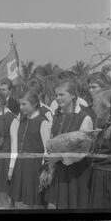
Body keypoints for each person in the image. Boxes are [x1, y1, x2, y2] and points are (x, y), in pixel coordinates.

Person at [45, 80, 93, 209]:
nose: (57, 98)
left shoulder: (84, 118)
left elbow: (83, 150)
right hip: (57, 172)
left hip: (75, 174)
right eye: (56, 95)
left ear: (72, 95)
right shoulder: (56, 116)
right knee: (52, 206)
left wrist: (61, 157)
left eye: (61, 94)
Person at [10, 90, 51, 209]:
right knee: (26, 202)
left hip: (36, 166)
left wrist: (45, 170)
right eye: (20, 104)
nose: (21, 107)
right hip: (22, 164)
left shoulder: (43, 122)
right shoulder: (22, 119)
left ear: (34, 104)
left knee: (37, 201)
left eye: (24, 104)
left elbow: (47, 149)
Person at [88, 89, 111, 209]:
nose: (93, 107)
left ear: (106, 108)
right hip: (99, 175)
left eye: (95, 104)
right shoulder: (104, 127)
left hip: (107, 178)